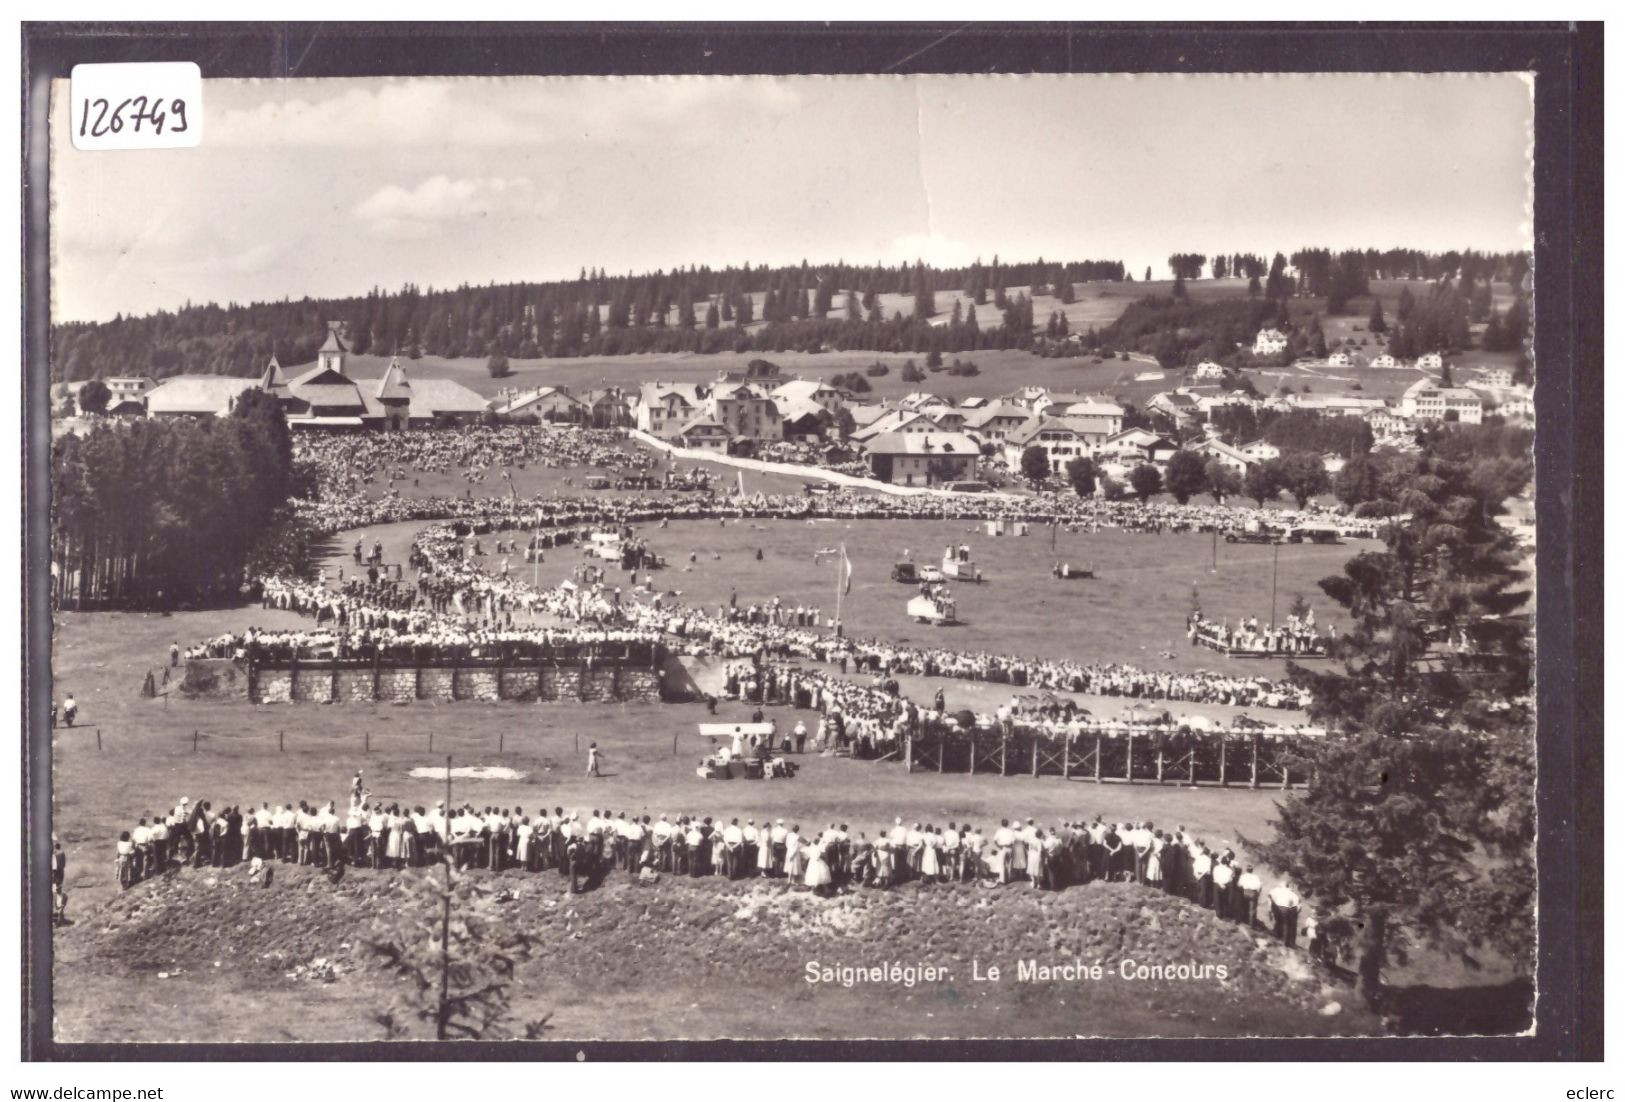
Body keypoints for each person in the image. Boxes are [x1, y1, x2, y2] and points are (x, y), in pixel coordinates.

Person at [1268, 881, 1301, 946]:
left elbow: (1270, 897)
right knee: (1292, 926)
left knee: (1284, 924)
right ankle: (1291, 942)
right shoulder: (1293, 894)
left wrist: (1270, 910)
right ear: (1288, 886)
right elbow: (1299, 904)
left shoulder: (1277, 890)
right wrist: (1296, 912)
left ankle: (1284, 940)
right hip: (1293, 908)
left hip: (1282, 908)